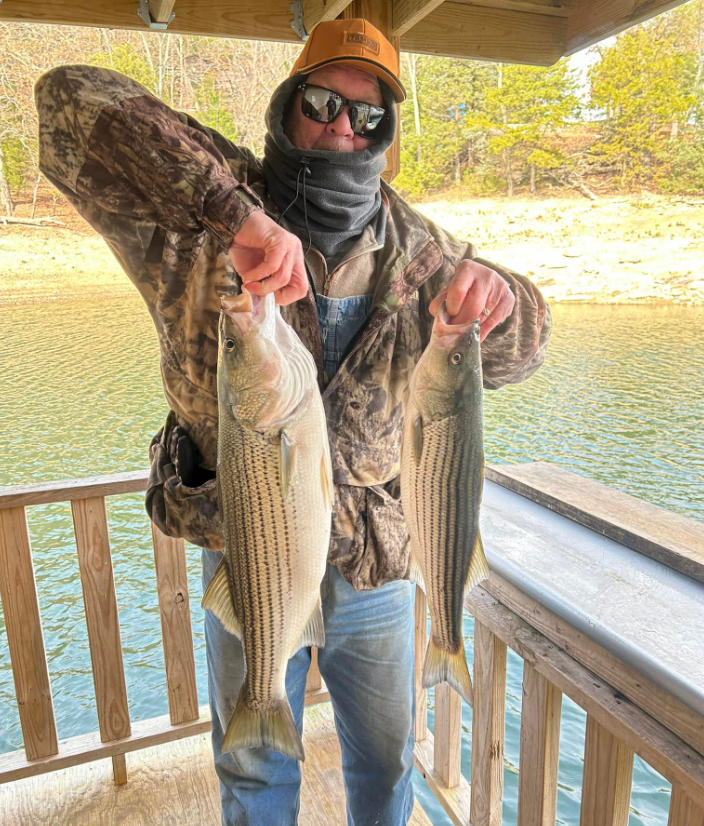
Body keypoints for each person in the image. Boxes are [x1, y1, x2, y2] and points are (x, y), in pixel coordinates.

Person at [35, 17, 551, 826]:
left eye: (370, 114)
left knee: (386, 768)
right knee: (253, 768)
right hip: (254, 541)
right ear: (286, 105)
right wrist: (233, 215)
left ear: (386, 131)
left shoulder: (422, 251)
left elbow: (523, 349)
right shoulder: (199, 213)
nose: (345, 126)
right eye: (323, 99)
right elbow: (67, 100)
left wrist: (500, 298)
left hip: (380, 563)